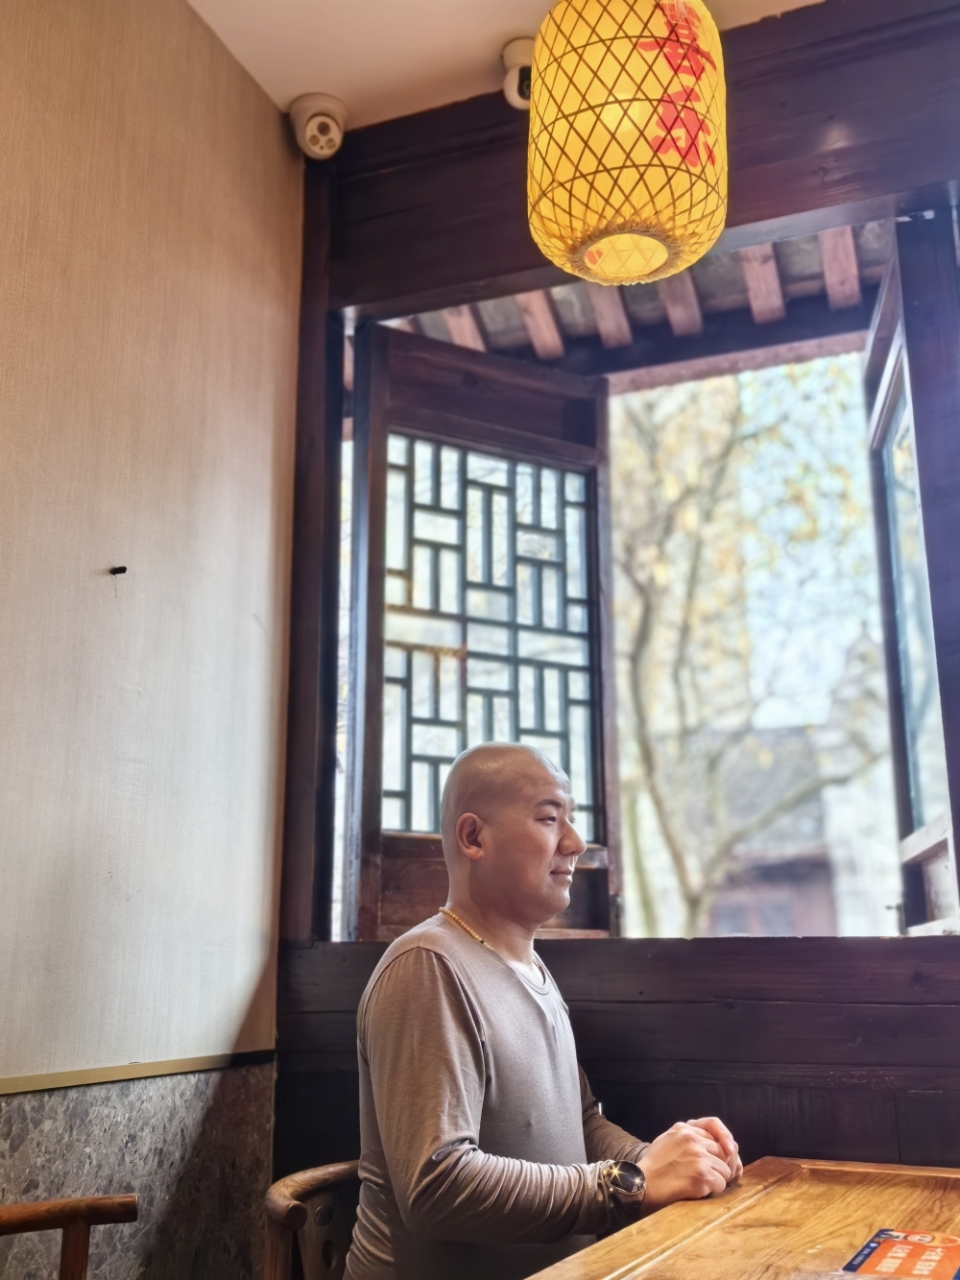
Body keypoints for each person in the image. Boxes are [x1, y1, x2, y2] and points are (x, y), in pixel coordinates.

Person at [344, 743, 742, 1280]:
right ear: (473, 837)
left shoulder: (532, 968)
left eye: (570, 820)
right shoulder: (428, 965)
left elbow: (582, 1123)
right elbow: (438, 1186)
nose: (575, 843)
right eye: (550, 819)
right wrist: (631, 1184)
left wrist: (673, 1161)